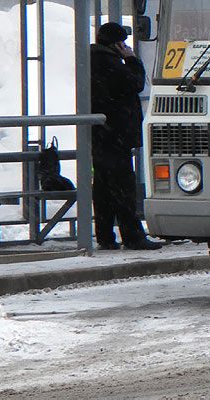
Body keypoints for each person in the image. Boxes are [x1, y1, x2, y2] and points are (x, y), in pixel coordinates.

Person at [90, 22, 162, 251]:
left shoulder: (92, 61)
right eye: (124, 43)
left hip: (102, 136)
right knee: (123, 189)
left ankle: (105, 236)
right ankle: (133, 237)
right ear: (118, 44)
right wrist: (131, 59)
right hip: (115, 136)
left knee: (103, 190)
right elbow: (136, 83)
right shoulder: (110, 63)